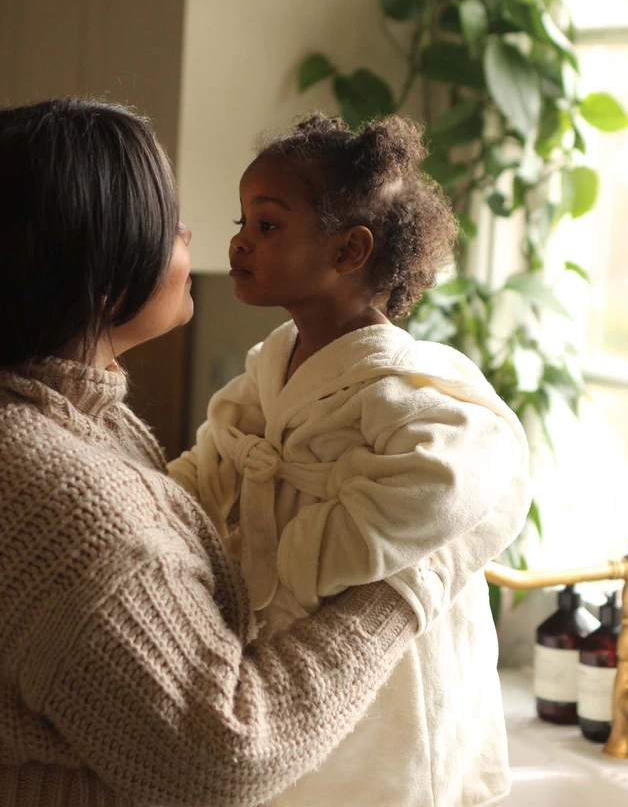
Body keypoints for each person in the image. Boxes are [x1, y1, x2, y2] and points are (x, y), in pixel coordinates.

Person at [0, 97, 458, 807]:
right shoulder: (54, 500)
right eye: (165, 218)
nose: (194, 234)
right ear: (96, 258)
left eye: (265, 224)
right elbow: (226, 756)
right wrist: (408, 586)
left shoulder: (73, 419)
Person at [169, 113, 532, 807]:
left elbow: (444, 487)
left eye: (267, 226)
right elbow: (216, 455)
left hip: (387, 671)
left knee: (377, 782)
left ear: (347, 251)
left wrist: (291, 561)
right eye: (244, 220)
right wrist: (161, 510)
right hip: (292, 655)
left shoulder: (408, 387)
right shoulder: (272, 362)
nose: (239, 241)